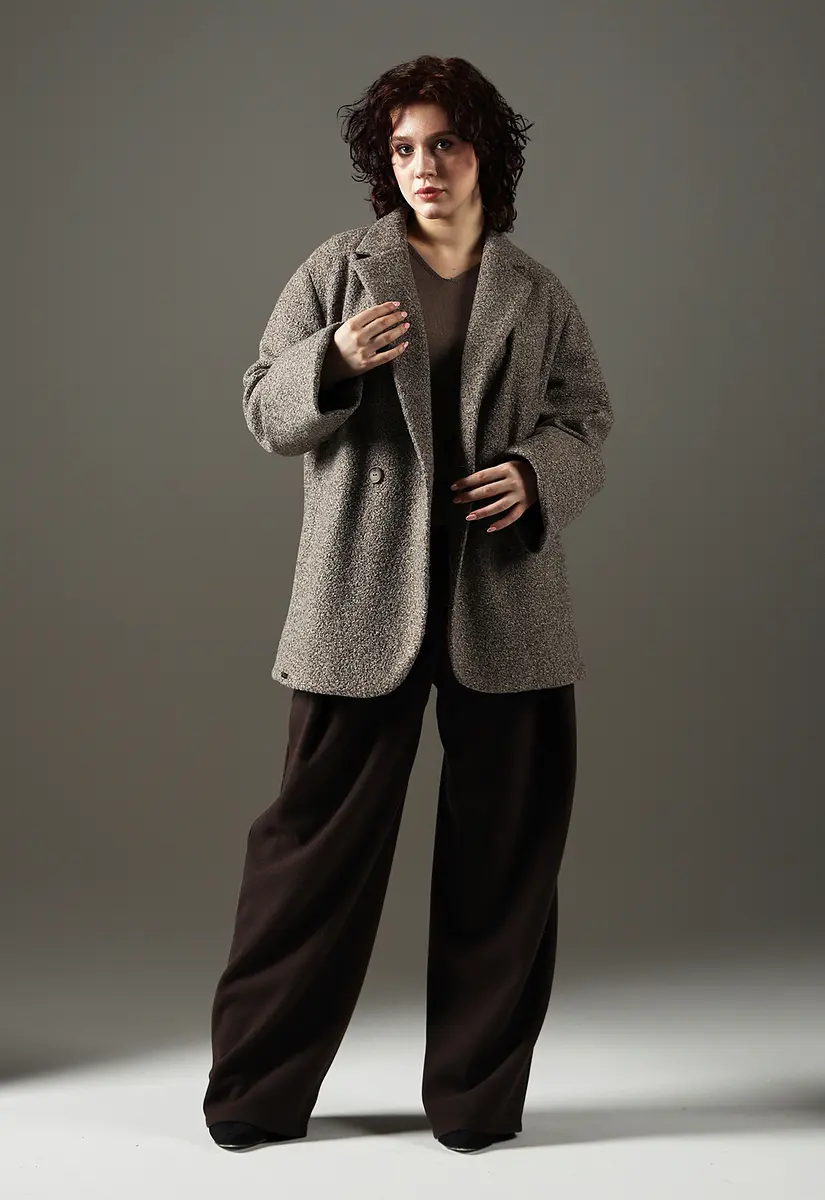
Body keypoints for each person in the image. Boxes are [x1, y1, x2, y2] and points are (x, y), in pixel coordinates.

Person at [203, 54, 613, 1155]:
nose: (422, 167)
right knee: (309, 853)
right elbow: (262, 406)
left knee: (507, 859)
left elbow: (586, 423)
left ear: (486, 154)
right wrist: (332, 359)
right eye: (401, 149)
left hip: (505, 600)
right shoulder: (337, 270)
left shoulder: (538, 293)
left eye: (444, 143)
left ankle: (475, 1104)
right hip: (358, 596)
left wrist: (535, 476)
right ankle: (253, 1094)